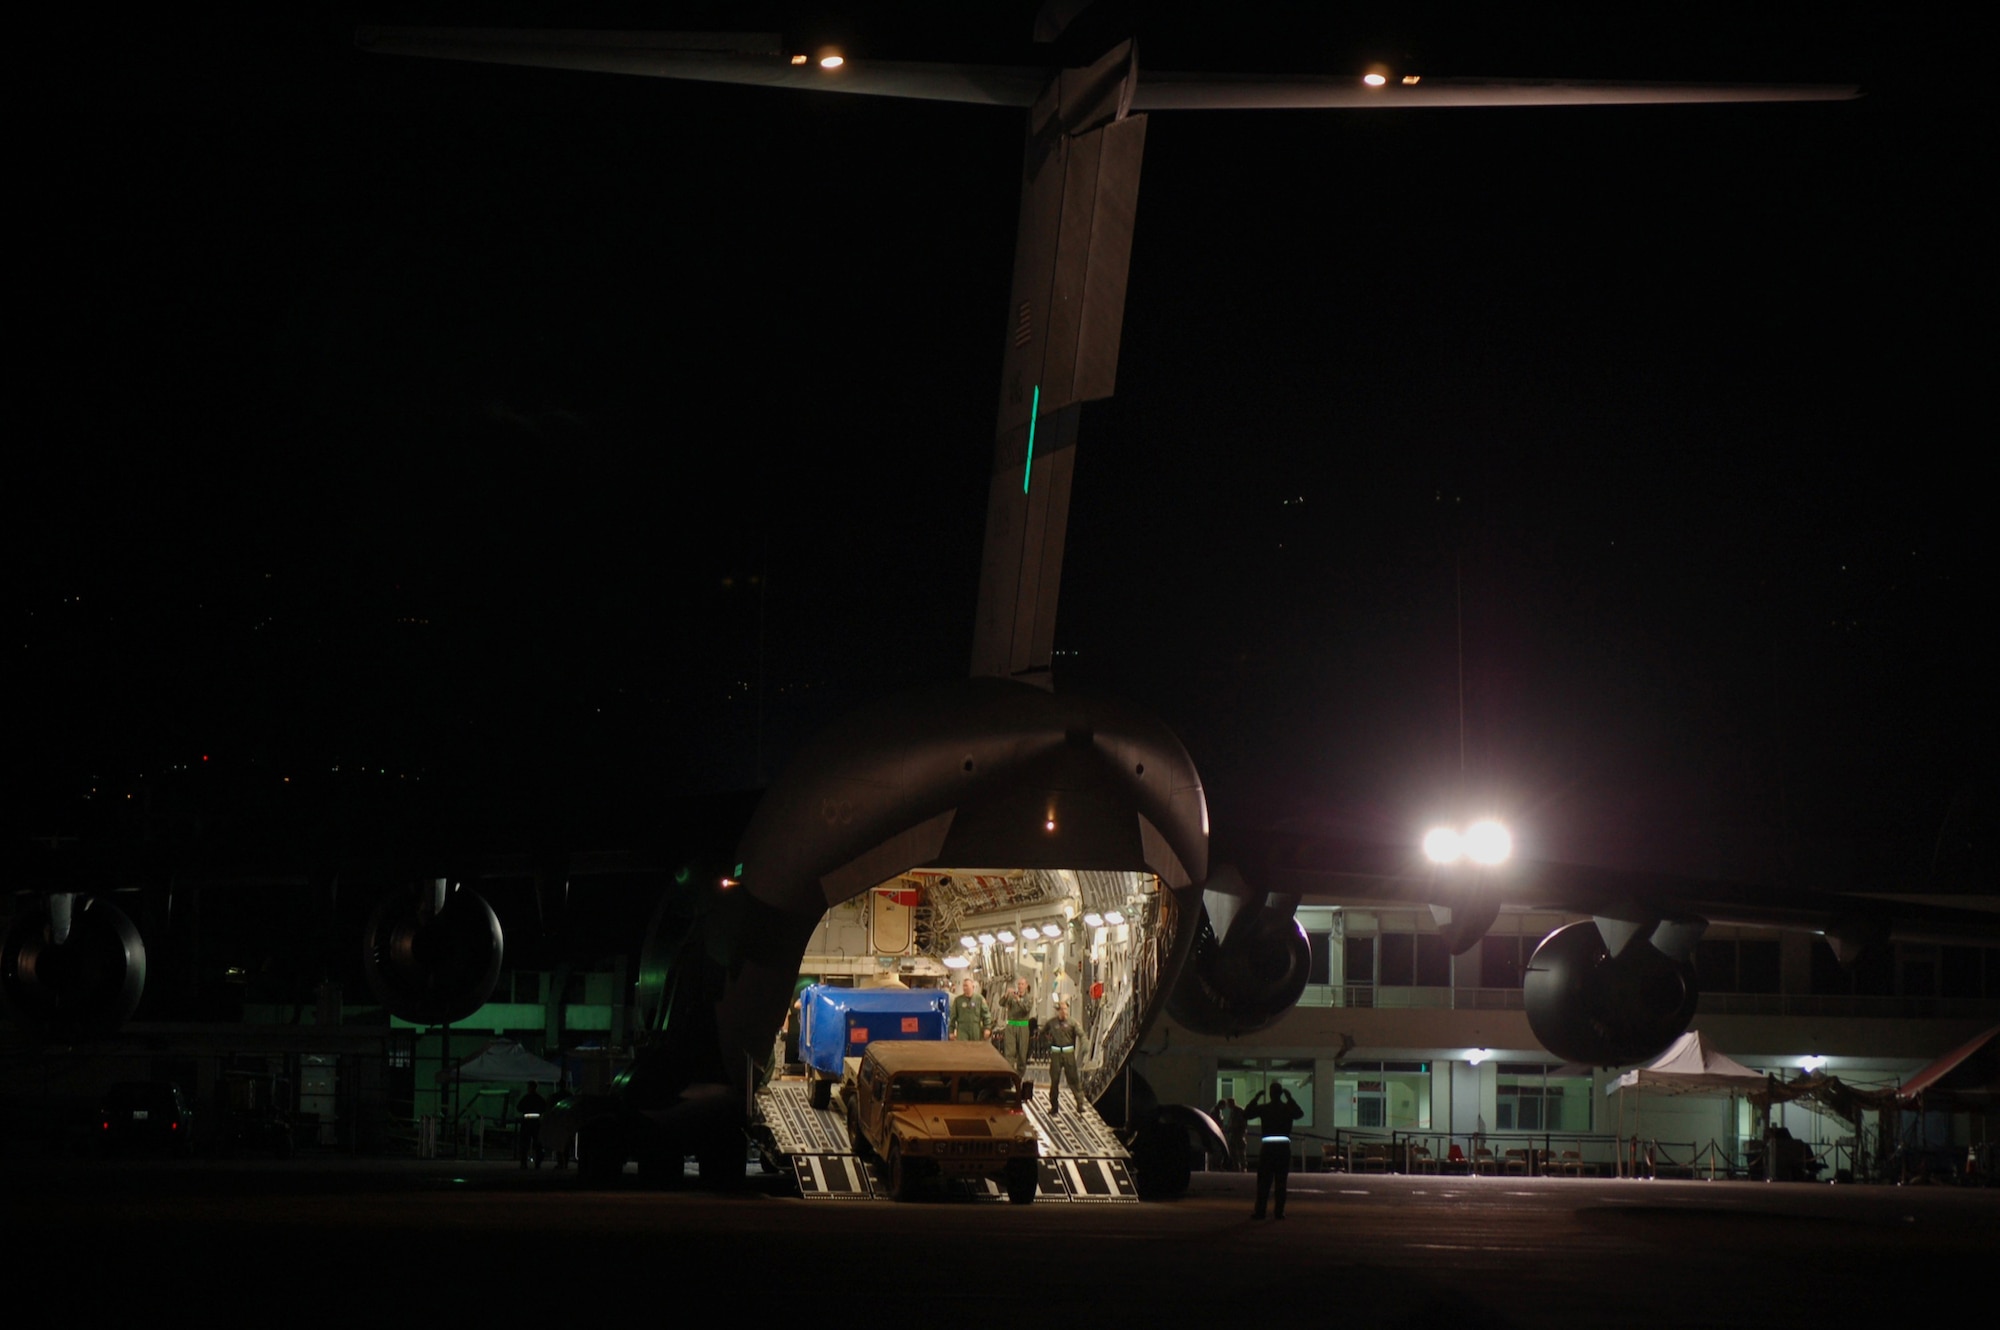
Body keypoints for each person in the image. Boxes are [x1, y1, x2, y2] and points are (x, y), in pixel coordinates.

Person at [1243, 1085, 1303, 1219]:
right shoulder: (1287, 1108)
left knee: (1264, 1183)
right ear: (1281, 1094)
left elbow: (1246, 1114)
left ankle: (1260, 1212)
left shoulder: (1265, 1108)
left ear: (1270, 1094)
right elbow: (1299, 1114)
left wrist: (1255, 1099)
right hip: (1283, 1148)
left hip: (1268, 1148)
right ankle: (1279, 1212)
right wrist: (1290, 1099)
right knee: (1281, 1183)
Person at [1043, 999, 1082, 1113]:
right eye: (1061, 1009)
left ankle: (1080, 1103)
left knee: (1073, 1080)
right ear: (1057, 1011)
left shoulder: (1072, 1023)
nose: (1063, 1011)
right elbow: (1042, 1033)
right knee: (1054, 1080)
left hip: (1068, 1053)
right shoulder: (1051, 1023)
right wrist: (1048, 1043)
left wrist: (1084, 1044)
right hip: (1056, 1054)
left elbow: (1081, 1034)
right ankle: (1054, 1106)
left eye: (1065, 1009)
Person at [997, 976, 1034, 1077]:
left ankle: (1019, 1078)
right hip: (1011, 1027)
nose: (1020, 986)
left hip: (1023, 1028)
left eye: (1022, 984)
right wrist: (1006, 995)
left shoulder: (1029, 998)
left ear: (1026, 986)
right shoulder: (1011, 997)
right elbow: (1001, 1003)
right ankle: (1010, 1077)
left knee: (1022, 1055)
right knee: (1009, 1053)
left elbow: (1026, 1009)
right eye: (1019, 984)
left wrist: (1019, 1000)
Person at [950, 976, 992, 1045]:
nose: (964, 988)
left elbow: (986, 1014)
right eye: (963, 986)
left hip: (976, 1029)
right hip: (962, 1029)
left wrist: (987, 1028)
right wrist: (951, 1031)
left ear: (972, 987)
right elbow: (953, 1017)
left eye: (966, 986)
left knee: (976, 1048)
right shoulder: (958, 1000)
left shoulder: (979, 999)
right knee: (963, 1049)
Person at [516, 1081, 547, 1169]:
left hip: (527, 1122)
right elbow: (544, 1107)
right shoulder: (539, 1098)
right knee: (538, 1144)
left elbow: (519, 1107)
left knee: (524, 1144)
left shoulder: (526, 1098)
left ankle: (524, 1163)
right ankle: (537, 1163)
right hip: (536, 1123)